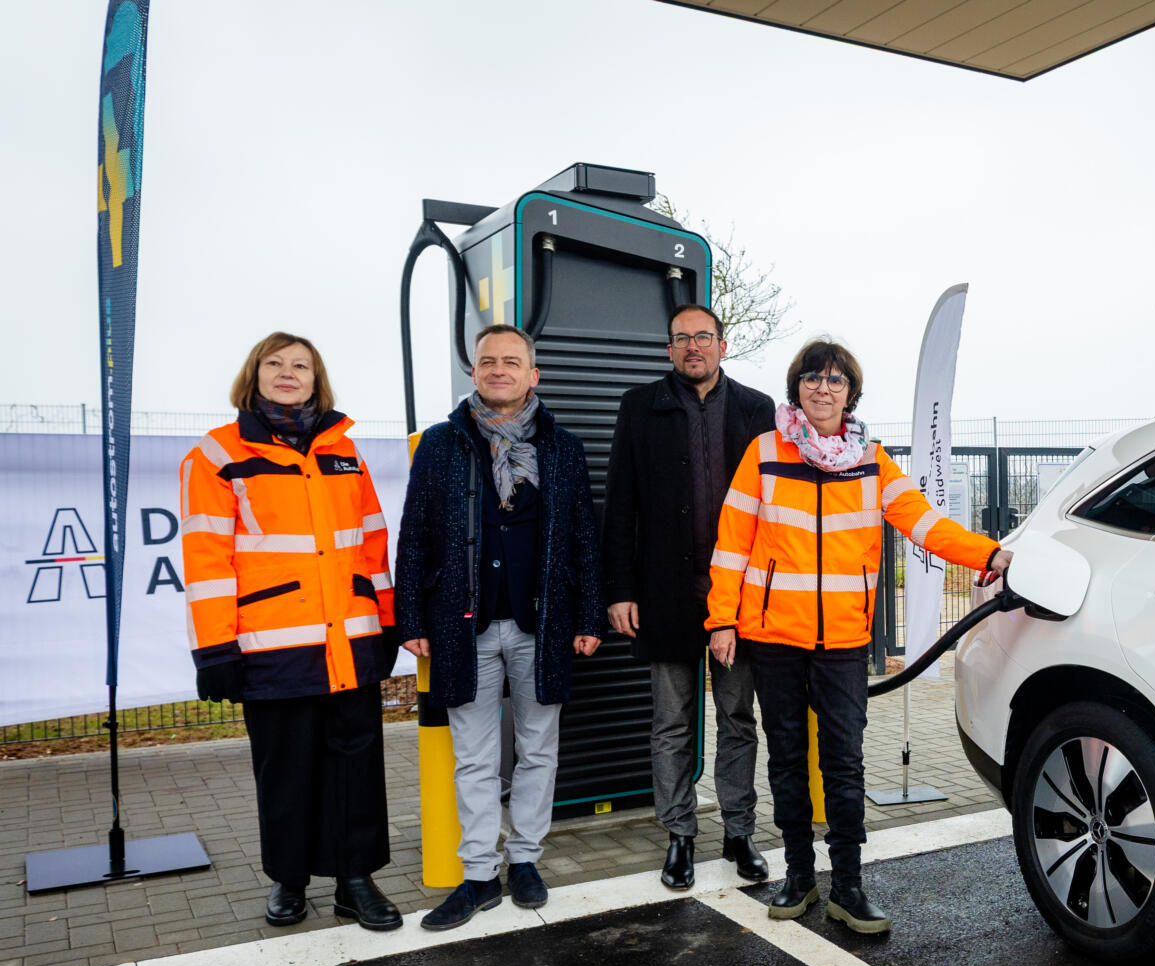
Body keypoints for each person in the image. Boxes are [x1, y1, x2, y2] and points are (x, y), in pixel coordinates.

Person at [707, 338, 1010, 932]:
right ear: (796, 388)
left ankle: (848, 884)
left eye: (835, 380)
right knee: (787, 760)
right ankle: (799, 876)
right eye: (812, 378)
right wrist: (721, 619)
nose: (822, 389)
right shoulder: (764, 452)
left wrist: (990, 553)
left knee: (844, 763)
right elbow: (732, 541)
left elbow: (926, 523)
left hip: (844, 642)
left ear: (850, 394)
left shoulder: (873, 461)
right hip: (773, 637)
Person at [180, 332, 403, 931]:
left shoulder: (344, 452)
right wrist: (214, 648)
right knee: (285, 770)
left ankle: (356, 881)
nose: (288, 373)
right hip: (273, 646)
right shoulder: (216, 454)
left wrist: (387, 621)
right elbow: (206, 560)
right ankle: (289, 879)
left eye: (301, 365)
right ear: (253, 375)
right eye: (275, 363)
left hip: (350, 642)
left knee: (356, 768)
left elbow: (373, 544)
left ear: (315, 379)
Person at [394, 325, 606, 930]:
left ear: (532, 375)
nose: (499, 370)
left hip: (545, 623)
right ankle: (480, 874)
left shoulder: (562, 447)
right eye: (488, 361)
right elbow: (415, 533)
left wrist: (590, 614)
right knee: (475, 757)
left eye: (512, 362)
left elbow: (583, 536)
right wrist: (410, 617)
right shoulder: (440, 444)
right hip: (464, 625)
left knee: (538, 749)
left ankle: (526, 859)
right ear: (475, 372)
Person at [603, 305, 776, 890]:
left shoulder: (756, 409)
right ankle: (678, 834)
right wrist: (621, 590)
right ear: (669, 349)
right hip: (665, 592)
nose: (693, 346)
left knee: (737, 719)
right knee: (671, 722)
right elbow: (620, 503)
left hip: (738, 596)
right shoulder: (640, 406)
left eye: (704, 337)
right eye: (682, 338)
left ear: (723, 346)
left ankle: (739, 832)